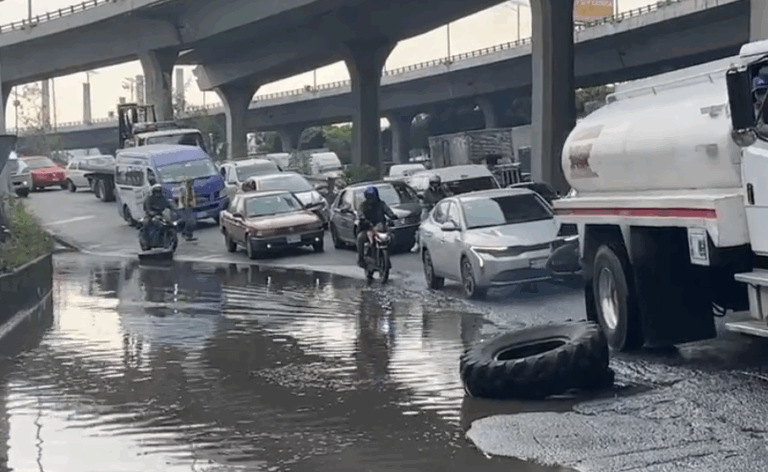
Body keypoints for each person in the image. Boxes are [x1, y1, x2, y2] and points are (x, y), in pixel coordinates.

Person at [357, 186, 398, 268]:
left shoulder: (381, 204)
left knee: (392, 237)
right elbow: (360, 213)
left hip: (381, 227)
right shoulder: (363, 205)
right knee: (360, 238)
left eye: (372, 197)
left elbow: (388, 211)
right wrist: (363, 219)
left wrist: (392, 216)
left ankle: (386, 257)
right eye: (369, 197)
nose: (370, 199)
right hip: (368, 228)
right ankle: (360, 259)